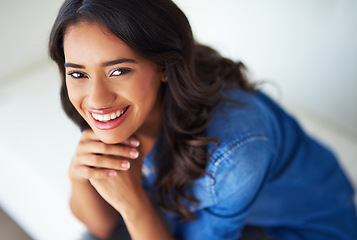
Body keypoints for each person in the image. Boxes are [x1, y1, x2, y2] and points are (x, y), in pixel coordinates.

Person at [49, 0, 357, 239]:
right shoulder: (104, 108)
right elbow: (101, 228)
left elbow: (124, 219)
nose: (97, 99)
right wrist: (79, 174)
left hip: (292, 229)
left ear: (164, 66)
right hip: (214, 212)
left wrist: (134, 205)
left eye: (119, 70)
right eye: (78, 73)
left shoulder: (234, 153)